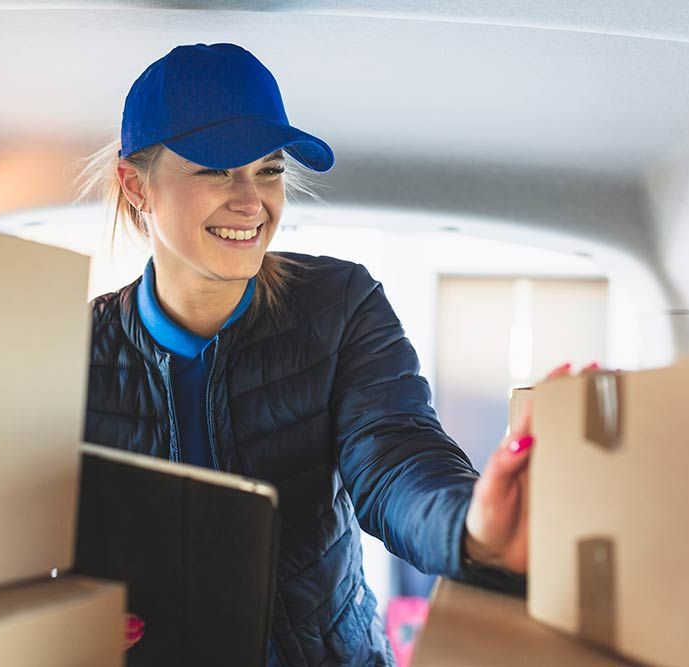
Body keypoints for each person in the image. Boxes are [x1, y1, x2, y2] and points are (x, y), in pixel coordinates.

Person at [74, 42, 534, 666]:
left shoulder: (339, 305)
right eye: (215, 169)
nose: (250, 201)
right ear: (136, 186)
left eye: (269, 170)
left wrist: (471, 524)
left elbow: (395, 455)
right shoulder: (73, 350)